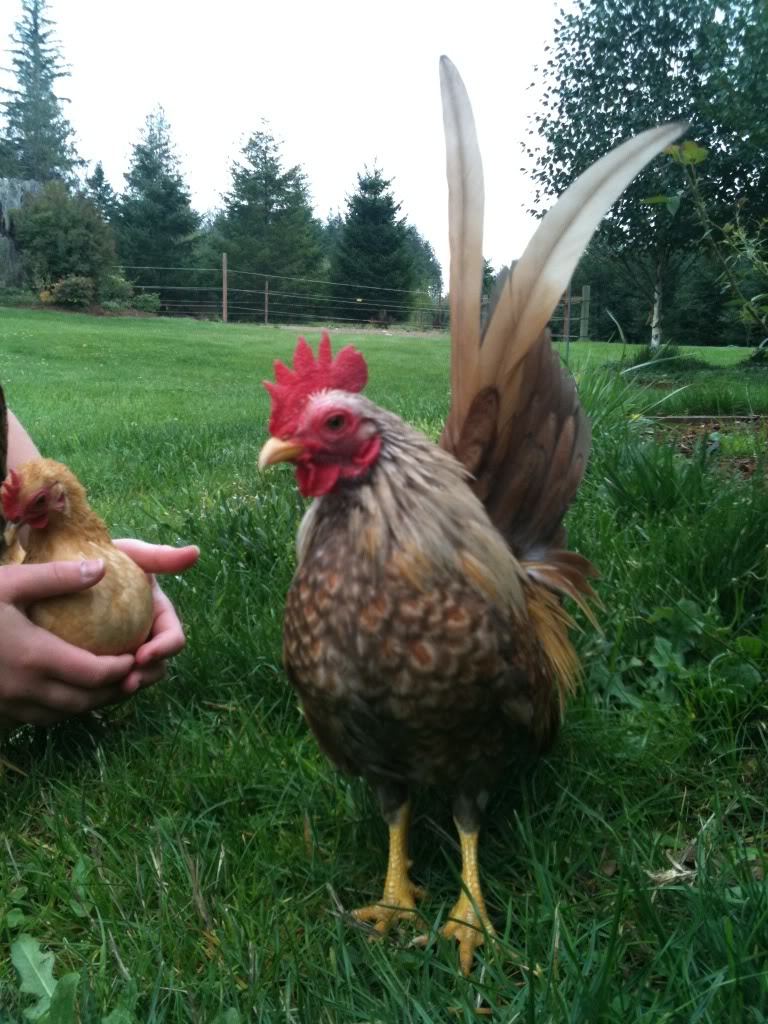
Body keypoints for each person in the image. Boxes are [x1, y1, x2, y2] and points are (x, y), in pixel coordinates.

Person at [0, 408, 199, 726]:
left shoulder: (113, 565)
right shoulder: (37, 604)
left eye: (38, 503)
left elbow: (27, 481)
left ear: (63, 497)